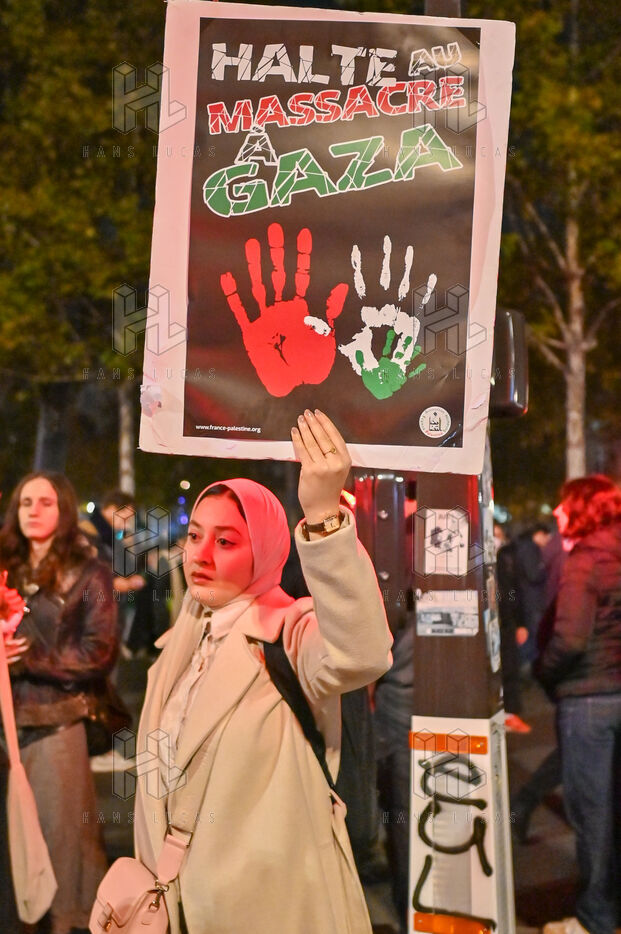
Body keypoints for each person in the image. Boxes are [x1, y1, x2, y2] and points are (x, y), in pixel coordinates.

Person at [134, 409, 393, 934]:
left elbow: (361, 653)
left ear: (267, 547)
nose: (201, 555)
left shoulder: (288, 629)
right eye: (195, 536)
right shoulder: (184, 638)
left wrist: (323, 516)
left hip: (270, 909)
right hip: (179, 904)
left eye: (226, 541)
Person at [0, 471, 118, 934]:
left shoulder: (90, 572)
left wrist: (28, 659)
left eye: (45, 502)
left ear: (64, 509)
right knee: (10, 847)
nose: (33, 510)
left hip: (56, 724)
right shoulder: (4, 565)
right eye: (25, 502)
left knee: (64, 843)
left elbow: (99, 651)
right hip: (3, 725)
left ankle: (67, 924)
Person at [537, 475, 621, 934]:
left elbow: (569, 639)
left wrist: (545, 673)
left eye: (565, 503)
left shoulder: (586, 559)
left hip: (588, 700)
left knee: (592, 817)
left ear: (585, 508)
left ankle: (594, 919)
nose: (556, 511)